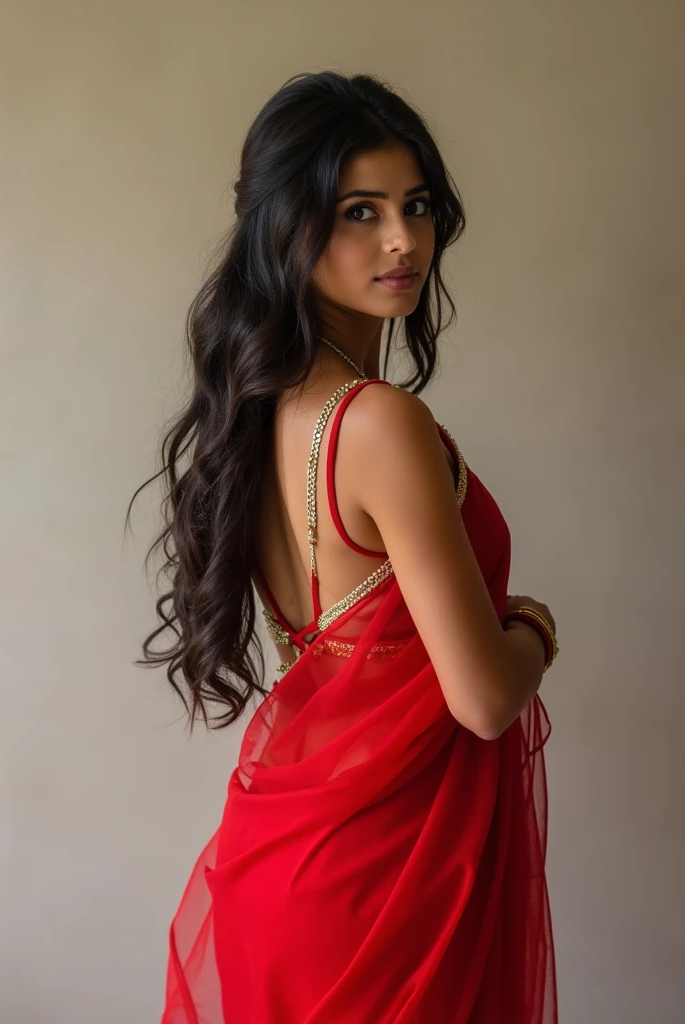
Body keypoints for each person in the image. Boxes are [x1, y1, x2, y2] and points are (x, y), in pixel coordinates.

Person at [127, 70, 559, 1023]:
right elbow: (485, 700)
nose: (402, 240)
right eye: (359, 211)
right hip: (383, 895)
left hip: (293, 869)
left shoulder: (264, 411)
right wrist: (533, 623)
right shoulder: (378, 423)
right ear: (288, 228)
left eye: (415, 206)